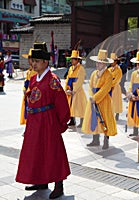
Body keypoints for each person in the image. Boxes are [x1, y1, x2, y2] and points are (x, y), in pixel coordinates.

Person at [15, 42, 71, 199]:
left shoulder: (52, 80)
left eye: (37, 61)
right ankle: (40, 180)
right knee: (35, 151)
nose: (33, 64)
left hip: (47, 121)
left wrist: (61, 123)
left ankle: (58, 185)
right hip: (34, 121)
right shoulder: (34, 79)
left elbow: (61, 103)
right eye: (32, 61)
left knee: (52, 151)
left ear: (45, 62)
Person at [81, 49, 117, 149]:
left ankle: (106, 141)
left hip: (104, 100)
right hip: (93, 99)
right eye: (97, 62)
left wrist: (96, 98)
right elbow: (90, 86)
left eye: (100, 63)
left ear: (104, 64)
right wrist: (92, 96)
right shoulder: (94, 74)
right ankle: (95, 139)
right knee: (94, 119)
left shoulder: (108, 75)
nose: (98, 64)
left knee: (105, 119)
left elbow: (106, 89)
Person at [64, 50, 87, 127]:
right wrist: (66, 88)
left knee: (80, 106)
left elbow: (80, 80)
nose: (72, 60)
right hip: (70, 89)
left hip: (77, 90)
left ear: (77, 60)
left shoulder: (81, 69)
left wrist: (74, 90)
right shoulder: (71, 68)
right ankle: (72, 120)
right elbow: (68, 78)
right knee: (70, 105)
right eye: (71, 59)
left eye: (73, 59)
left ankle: (82, 121)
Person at [20, 48, 37, 125]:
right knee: (27, 111)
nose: (29, 60)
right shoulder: (28, 71)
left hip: (32, 94)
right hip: (26, 94)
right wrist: (24, 89)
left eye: (30, 58)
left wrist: (29, 93)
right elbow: (26, 83)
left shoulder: (36, 71)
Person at [108, 53, 123, 121]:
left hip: (115, 87)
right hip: (109, 87)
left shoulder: (119, 70)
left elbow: (118, 79)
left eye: (113, 61)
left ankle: (117, 113)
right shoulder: (109, 69)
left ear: (116, 61)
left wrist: (111, 84)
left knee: (116, 101)